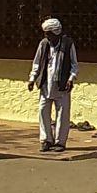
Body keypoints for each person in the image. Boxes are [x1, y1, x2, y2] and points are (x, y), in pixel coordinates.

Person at [28, 17, 78, 152]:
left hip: (62, 85)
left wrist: (71, 78)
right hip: (45, 84)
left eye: (49, 33)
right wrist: (32, 79)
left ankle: (60, 142)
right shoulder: (43, 44)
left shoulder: (68, 44)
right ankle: (46, 140)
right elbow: (37, 63)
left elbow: (74, 64)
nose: (47, 36)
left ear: (56, 32)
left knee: (62, 114)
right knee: (43, 111)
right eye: (46, 34)